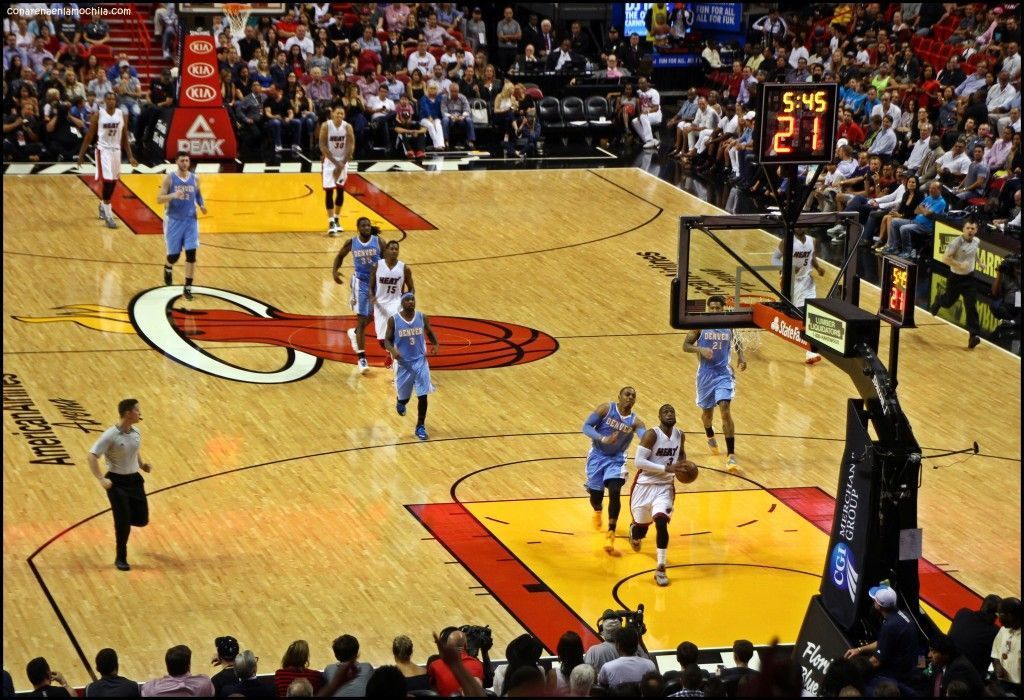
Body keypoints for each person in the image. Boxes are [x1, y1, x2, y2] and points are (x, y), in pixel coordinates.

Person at [683, 295, 747, 470]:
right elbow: (686, 345)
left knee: (725, 409)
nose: (715, 311)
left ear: (723, 309)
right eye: (712, 308)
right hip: (705, 375)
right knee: (707, 415)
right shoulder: (700, 325)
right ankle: (709, 433)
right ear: (708, 309)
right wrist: (700, 349)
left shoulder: (729, 325)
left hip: (723, 374)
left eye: (718, 308)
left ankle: (731, 455)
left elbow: (737, 341)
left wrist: (741, 356)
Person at [88, 398, 151, 572]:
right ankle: (120, 557)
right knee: (123, 523)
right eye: (137, 410)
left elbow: (135, 450)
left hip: (134, 480)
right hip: (117, 484)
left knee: (142, 519)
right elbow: (92, 455)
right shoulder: (110, 435)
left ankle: (123, 518)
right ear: (128, 413)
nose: (140, 413)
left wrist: (142, 464)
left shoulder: (136, 432)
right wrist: (101, 479)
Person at [582, 386, 646, 556]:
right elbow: (586, 427)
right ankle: (597, 510)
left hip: (616, 460)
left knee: (615, 491)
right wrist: (603, 438)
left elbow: (645, 438)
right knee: (596, 497)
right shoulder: (605, 409)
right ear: (619, 396)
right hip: (597, 456)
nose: (630, 397)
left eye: (633, 395)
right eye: (627, 394)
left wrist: (652, 442)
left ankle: (611, 532)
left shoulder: (635, 422)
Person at [628, 403, 686, 586]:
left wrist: (685, 468)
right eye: (666, 411)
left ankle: (661, 567)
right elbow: (638, 462)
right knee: (641, 528)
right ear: (660, 416)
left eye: (672, 411)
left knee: (661, 522)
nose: (670, 414)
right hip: (644, 486)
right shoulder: (652, 434)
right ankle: (635, 533)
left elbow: (681, 456)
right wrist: (665, 467)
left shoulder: (680, 435)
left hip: (665, 486)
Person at [77, 91, 137, 229]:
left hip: (116, 151)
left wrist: (130, 155)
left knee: (113, 183)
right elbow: (90, 135)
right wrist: (81, 154)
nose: (111, 101)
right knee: (108, 182)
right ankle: (109, 217)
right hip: (103, 150)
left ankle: (102, 205)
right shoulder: (98, 115)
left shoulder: (121, 115)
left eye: (113, 99)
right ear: (104, 100)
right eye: (108, 99)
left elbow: (124, 137)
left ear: (116, 101)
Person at [384, 292, 440, 441]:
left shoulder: (422, 317)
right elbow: (387, 340)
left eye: (412, 299)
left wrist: (435, 343)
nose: (410, 302)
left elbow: (429, 332)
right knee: (405, 399)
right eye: (407, 300)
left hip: (420, 361)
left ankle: (420, 426)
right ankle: (400, 401)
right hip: (403, 364)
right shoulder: (394, 320)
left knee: (423, 395)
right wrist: (392, 350)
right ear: (402, 303)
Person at [333, 217, 383, 373]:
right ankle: (362, 358)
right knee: (361, 319)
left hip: (377, 282)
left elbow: (388, 259)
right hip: (360, 283)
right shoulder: (352, 242)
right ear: (358, 228)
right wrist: (334, 271)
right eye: (363, 225)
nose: (367, 227)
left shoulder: (379, 241)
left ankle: (354, 333)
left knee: (374, 315)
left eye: (368, 225)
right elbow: (340, 256)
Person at [843, 585, 918, 688]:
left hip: (897, 675)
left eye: (875, 600)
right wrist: (859, 650)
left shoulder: (890, 626)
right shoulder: (902, 614)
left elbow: (876, 662)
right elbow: (883, 642)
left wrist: (852, 671)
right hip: (909, 665)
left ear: (878, 606)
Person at [155, 151, 206, 302]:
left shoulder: (195, 178)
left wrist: (202, 205)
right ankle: (168, 266)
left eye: (187, 160)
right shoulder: (169, 178)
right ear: (176, 161)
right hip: (174, 221)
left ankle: (187, 287)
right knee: (174, 256)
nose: (185, 163)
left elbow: (198, 195)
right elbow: (159, 199)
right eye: (182, 160)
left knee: (191, 254)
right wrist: (173, 195)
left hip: (191, 220)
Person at [929, 219, 983, 349]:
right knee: (948, 302)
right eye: (968, 228)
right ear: (963, 229)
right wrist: (959, 265)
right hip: (955, 278)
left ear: (976, 231)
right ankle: (938, 300)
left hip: (969, 278)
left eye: (973, 228)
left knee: (971, 306)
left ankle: (973, 336)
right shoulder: (956, 243)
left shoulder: (976, 241)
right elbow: (945, 258)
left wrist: (980, 263)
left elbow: (974, 252)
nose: (970, 231)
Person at [774, 230, 826, 364]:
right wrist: (789, 268)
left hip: (806, 280)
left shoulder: (812, 240)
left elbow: (811, 257)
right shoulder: (787, 242)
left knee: (809, 314)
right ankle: (779, 320)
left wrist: (818, 267)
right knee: (796, 316)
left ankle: (810, 351)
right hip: (790, 281)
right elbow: (774, 260)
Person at [369, 239, 413, 367]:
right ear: (386, 251)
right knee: (382, 340)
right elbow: (371, 287)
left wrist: (408, 299)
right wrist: (372, 297)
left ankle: (398, 366)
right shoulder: (376, 266)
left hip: (396, 304)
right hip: (380, 305)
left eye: (396, 249)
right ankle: (390, 353)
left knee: (396, 337)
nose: (394, 251)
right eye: (392, 248)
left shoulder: (404, 268)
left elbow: (411, 288)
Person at [319, 102, 355, 237]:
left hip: (343, 160)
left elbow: (351, 147)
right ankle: (330, 222)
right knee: (329, 192)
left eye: (342, 113)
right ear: (332, 113)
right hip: (329, 161)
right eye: (337, 113)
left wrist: (342, 164)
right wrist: (335, 163)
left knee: (340, 191)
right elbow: (322, 146)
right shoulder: (326, 126)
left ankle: (337, 218)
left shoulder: (348, 127)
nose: (339, 115)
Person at [949, 595, 1002, 678]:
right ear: (997, 615)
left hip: (948, 669)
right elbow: (999, 670)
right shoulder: (996, 632)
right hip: (972, 680)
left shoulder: (962, 613)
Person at [927, 633, 985, 698]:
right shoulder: (939, 664)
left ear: (945, 654)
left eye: (933, 651)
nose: (929, 655)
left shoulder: (959, 669)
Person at [991, 597, 1021, 694]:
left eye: (1000, 614)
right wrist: (997, 666)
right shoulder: (1003, 630)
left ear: (1010, 616)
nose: (998, 618)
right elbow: (995, 653)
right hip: (1000, 683)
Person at [632, 76, 662, 150]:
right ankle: (651, 140)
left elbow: (656, 108)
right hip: (645, 115)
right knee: (634, 121)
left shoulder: (654, 92)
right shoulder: (639, 92)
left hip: (655, 115)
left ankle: (649, 140)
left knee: (643, 116)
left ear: (647, 84)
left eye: (642, 83)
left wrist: (646, 112)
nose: (640, 85)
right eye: (639, 84)